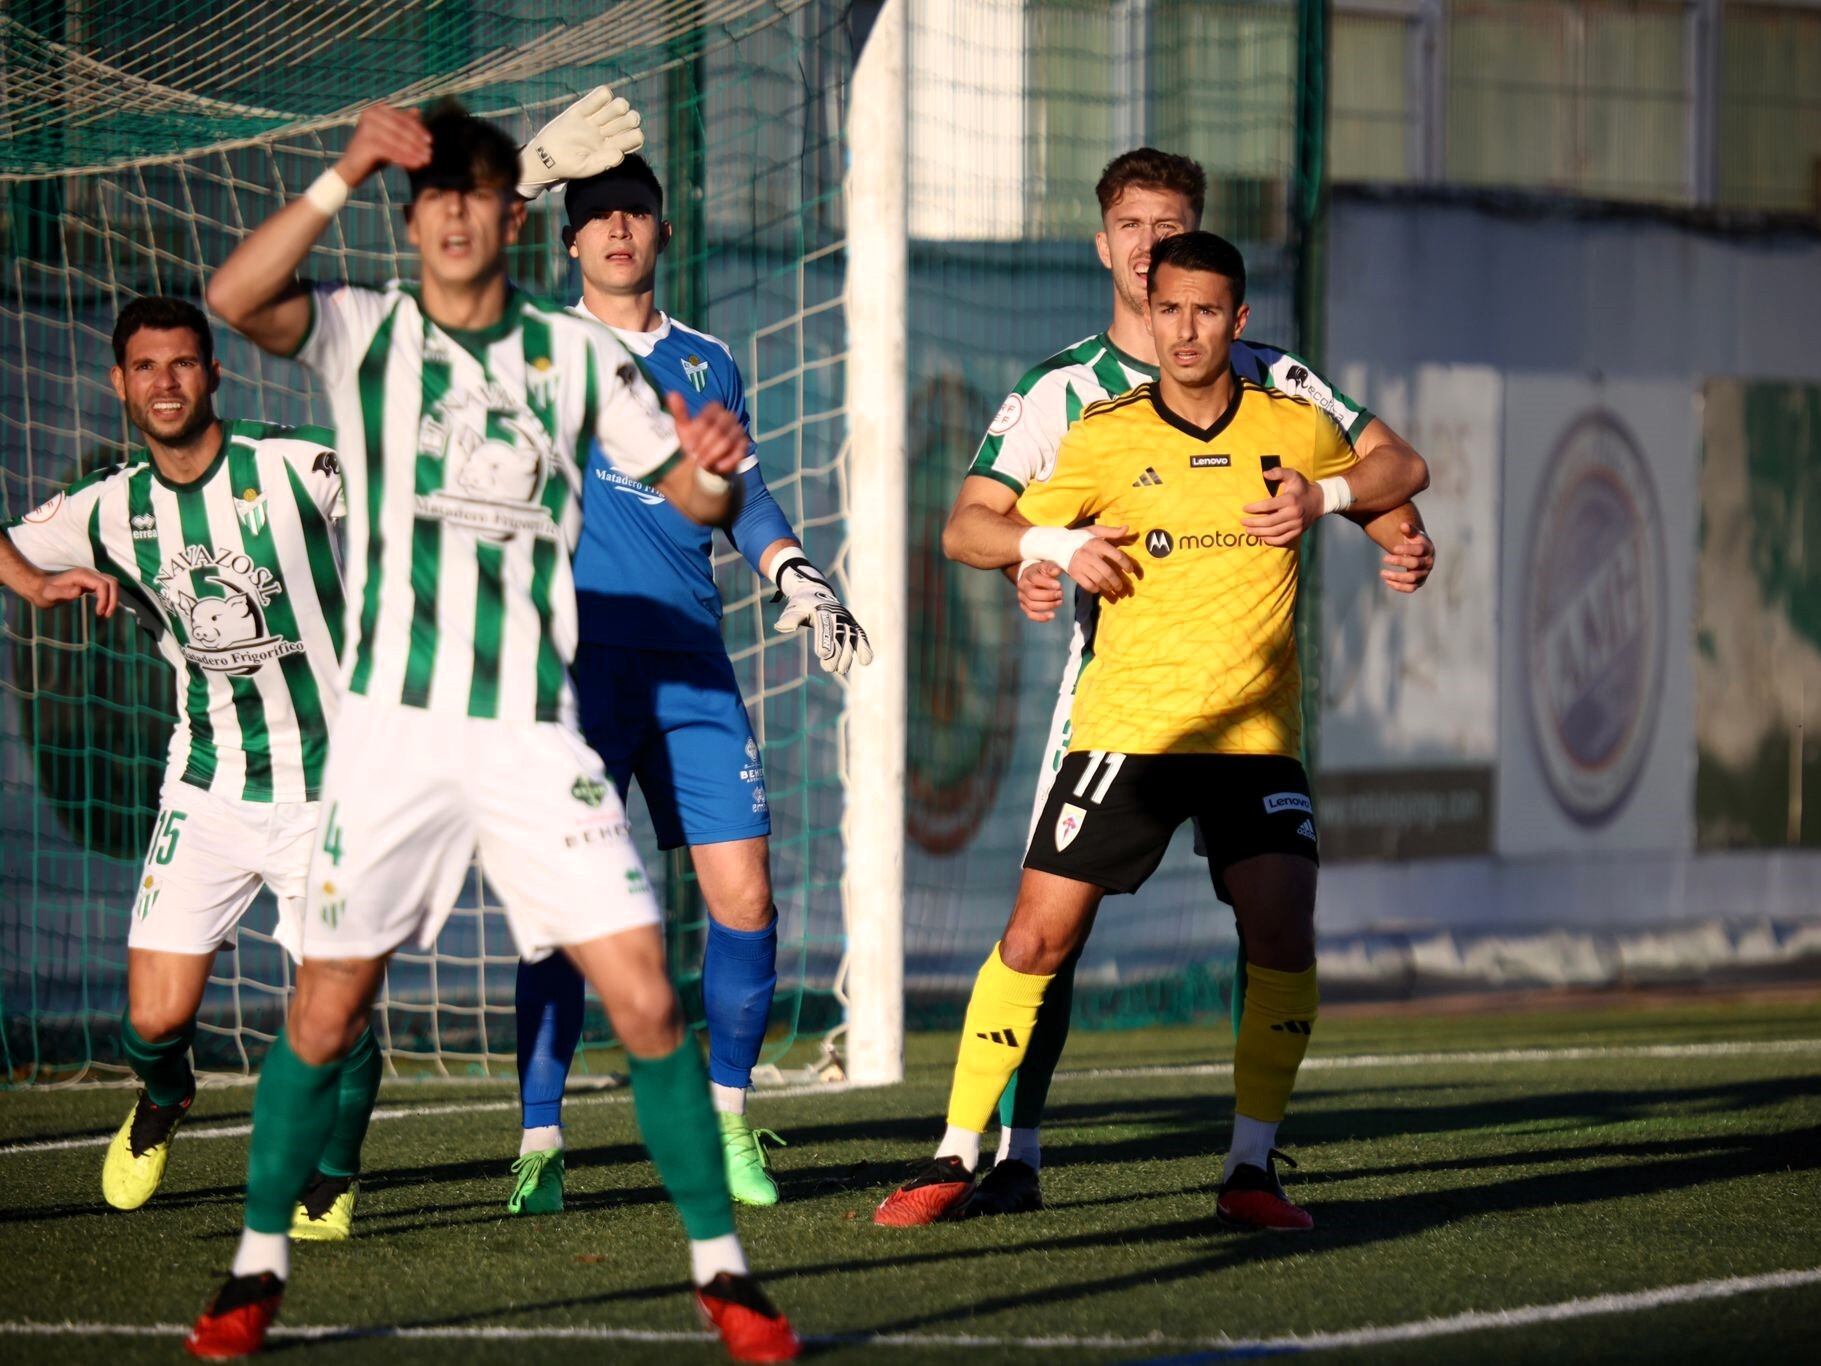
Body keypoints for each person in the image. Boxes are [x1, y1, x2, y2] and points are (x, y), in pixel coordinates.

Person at [189, 99, 798, 1361]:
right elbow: (236, 295)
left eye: (478, 198)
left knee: (642, 992)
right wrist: (347, 162)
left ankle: (722, 1271)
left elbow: (687, 491)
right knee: (325, 1008)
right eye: (434, 200)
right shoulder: (367, 333)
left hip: (536, 734)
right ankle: (256, 1262)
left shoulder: (577, 363)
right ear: (411, 219)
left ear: (511, 218)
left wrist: (718, 466)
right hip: (397, 738)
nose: (457, 218)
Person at [876, 230, 1430, 1230]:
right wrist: (1046, 551)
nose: (1186, 330)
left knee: (1283, 928)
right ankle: (954, 1153)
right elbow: (972, 530)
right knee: (1035, 937)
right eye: (1170, 309)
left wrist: (1348, 507)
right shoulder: (1103, 432)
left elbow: (1403, 474)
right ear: (1146, 307)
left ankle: (1251, 1170)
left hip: (1254, 739)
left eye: (1207, 311)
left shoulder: (1291, 423)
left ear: (1239, 320)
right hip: (1127, 733)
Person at [507, 154, 870, 1216]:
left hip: (692, 664)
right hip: (575, 665)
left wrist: (797, 574)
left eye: (636, 212)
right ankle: (540, 1140)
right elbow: (452, 283)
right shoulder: (537, 348)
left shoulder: (708, 361)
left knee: (745, 892)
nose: (618, 229)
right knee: (567, 913)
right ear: (569, 240)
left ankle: (725, 1123)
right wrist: (524, 177)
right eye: (597, 217)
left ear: (664, 231)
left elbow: (744, 495)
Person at [0, 296, 378, 1242]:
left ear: (215, 373)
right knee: (151, 1022)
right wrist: (36, 580)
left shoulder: (294, 466)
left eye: (182, 364)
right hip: (209, 783)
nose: (165, 383)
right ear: (119, 383)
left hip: (337, 791)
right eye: (145, 368)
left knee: (340, 1012)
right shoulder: (107, 507)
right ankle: (166, 1098)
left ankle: (330, 1178)